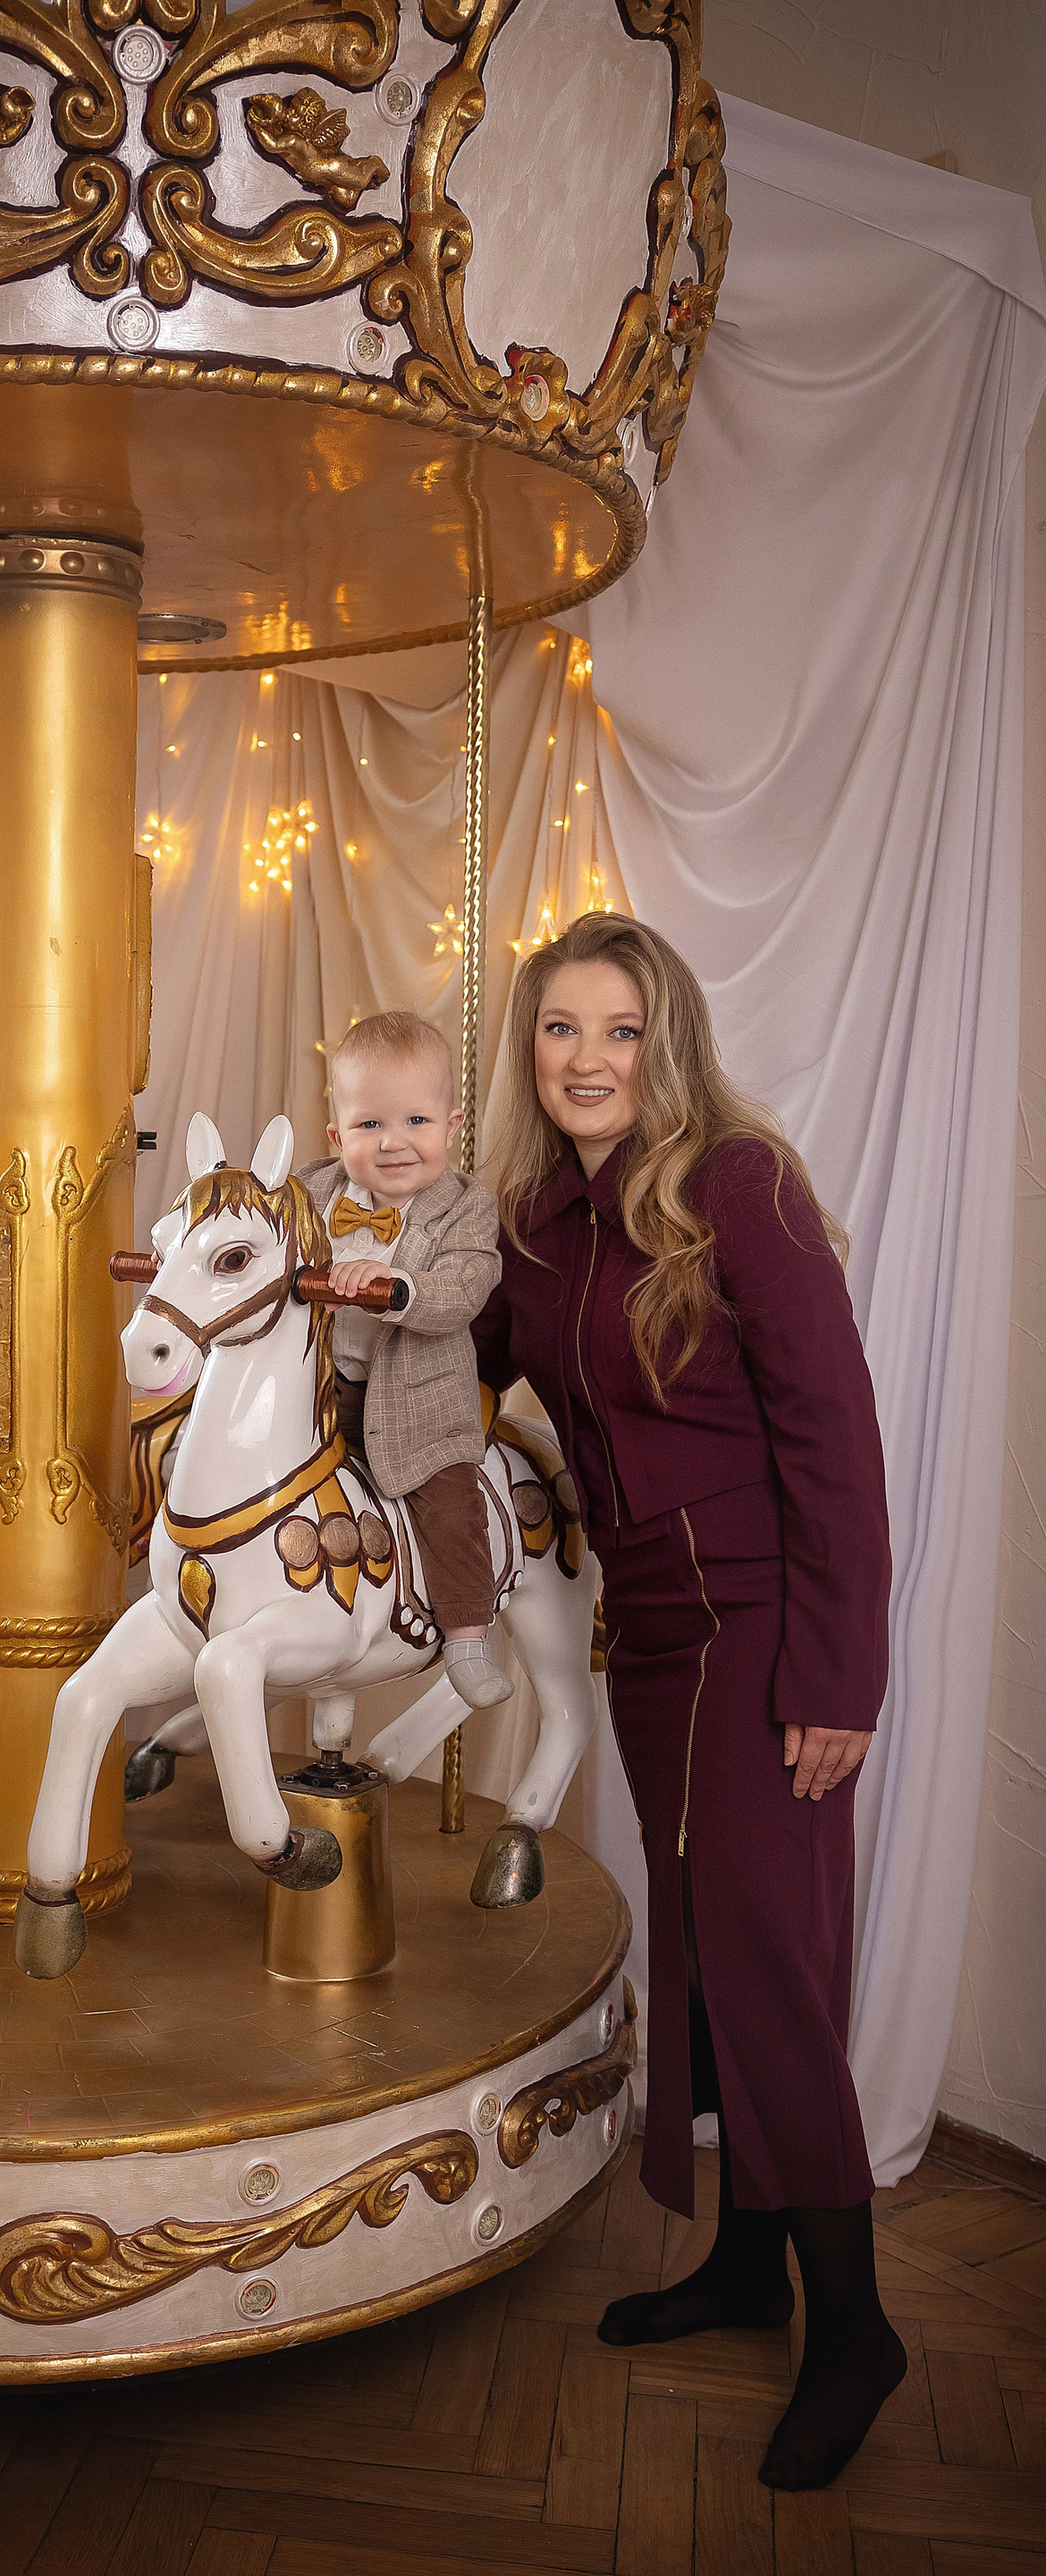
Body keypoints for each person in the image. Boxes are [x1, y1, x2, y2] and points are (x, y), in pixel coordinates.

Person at [473, 911, 905, 2492]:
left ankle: (855, 2326)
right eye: (559, 1030)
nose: (586, 1060)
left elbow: (836, 1442)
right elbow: (458, 1355)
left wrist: (839, 1676)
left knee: (769, 1969)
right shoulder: (535, 1225)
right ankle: (745, 2266)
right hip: (650, 1636)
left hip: (768, 1633)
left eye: (619, 1029)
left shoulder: (740, 1189)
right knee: (709, 1958)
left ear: (669, 1043)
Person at [303, 1009, 511, 1712]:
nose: (393, 1142)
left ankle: (466, 1637)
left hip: (420, 1401)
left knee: (450, 1506)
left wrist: (398, 1286)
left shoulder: (465, 1210)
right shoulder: (311, 1195)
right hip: (321, 1391)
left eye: (416, 1121)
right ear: (338, 1137)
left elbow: (465, 1288)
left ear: (450, 1128)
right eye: (370, 1125)